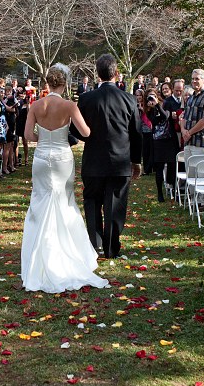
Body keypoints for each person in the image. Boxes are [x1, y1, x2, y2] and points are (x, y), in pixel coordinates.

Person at [21, 64, 107, 292]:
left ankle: (39, 256)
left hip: (41, 158)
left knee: (41, 203)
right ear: (65, 84)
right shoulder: (69, 105)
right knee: (63, 202)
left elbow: (28, 135)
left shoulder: (36, 105)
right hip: (61, 157)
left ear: (47, 83)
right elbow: (86, 133)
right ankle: (65, 253)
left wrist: (44, 137)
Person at [73, 54, 142, 259]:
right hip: (120, 160)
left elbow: (76, 130)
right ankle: (111, 248)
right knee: (115, 204)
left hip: (94, 159)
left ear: (97, 73)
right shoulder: (128, 99)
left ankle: (94, 245)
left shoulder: (86, 99)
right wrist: (136, 161)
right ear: (116, 73)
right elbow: (136, 133)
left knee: (92, 201)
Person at [147, 88, 179, 202]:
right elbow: (154, 121)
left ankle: (175, 191)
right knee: (159, 168)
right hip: (158, 141)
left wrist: (157, 106)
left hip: (169, 140)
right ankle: (160, 193)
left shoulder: (167, 104)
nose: (151, 98)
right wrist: (154, 108)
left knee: (172, 166)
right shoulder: (149, 109)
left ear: (157, 96)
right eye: (149, 96)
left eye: (153, 96)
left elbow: (165, 116)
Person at [180, 69, 204, 156]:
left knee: (200, 169)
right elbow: (184, 117)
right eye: (192, 79)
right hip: (188, 142)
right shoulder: (191, 98)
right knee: (188, 169)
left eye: (197, 79)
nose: (194, 81)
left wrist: (189, 133)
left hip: (200, 143)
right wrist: (183, 131)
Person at [135, 90, 153, 175]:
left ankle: (147, 169)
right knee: (142, 150)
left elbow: (148, 116)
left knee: (147, 150)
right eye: (136, 95)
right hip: (139, 128)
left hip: (148, 128)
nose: (138, 97)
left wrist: (142, 109)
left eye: (140, 95)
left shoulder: (147, 104)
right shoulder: (134, 104)